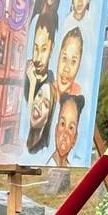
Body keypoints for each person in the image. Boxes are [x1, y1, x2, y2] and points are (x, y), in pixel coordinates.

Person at [24, 13, 58, 154]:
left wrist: (33, 85)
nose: (37, 58)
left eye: (43, 49)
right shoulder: (24, 76)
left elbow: (30, 117)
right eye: (35, 48)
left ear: (52, 49)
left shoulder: (51, 83)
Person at [48, 94, 84, 168]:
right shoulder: (47, 165)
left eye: (71, 128)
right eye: (62, 123)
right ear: (55, 130)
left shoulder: (74, 167)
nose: (65, 134)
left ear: (75, 138)